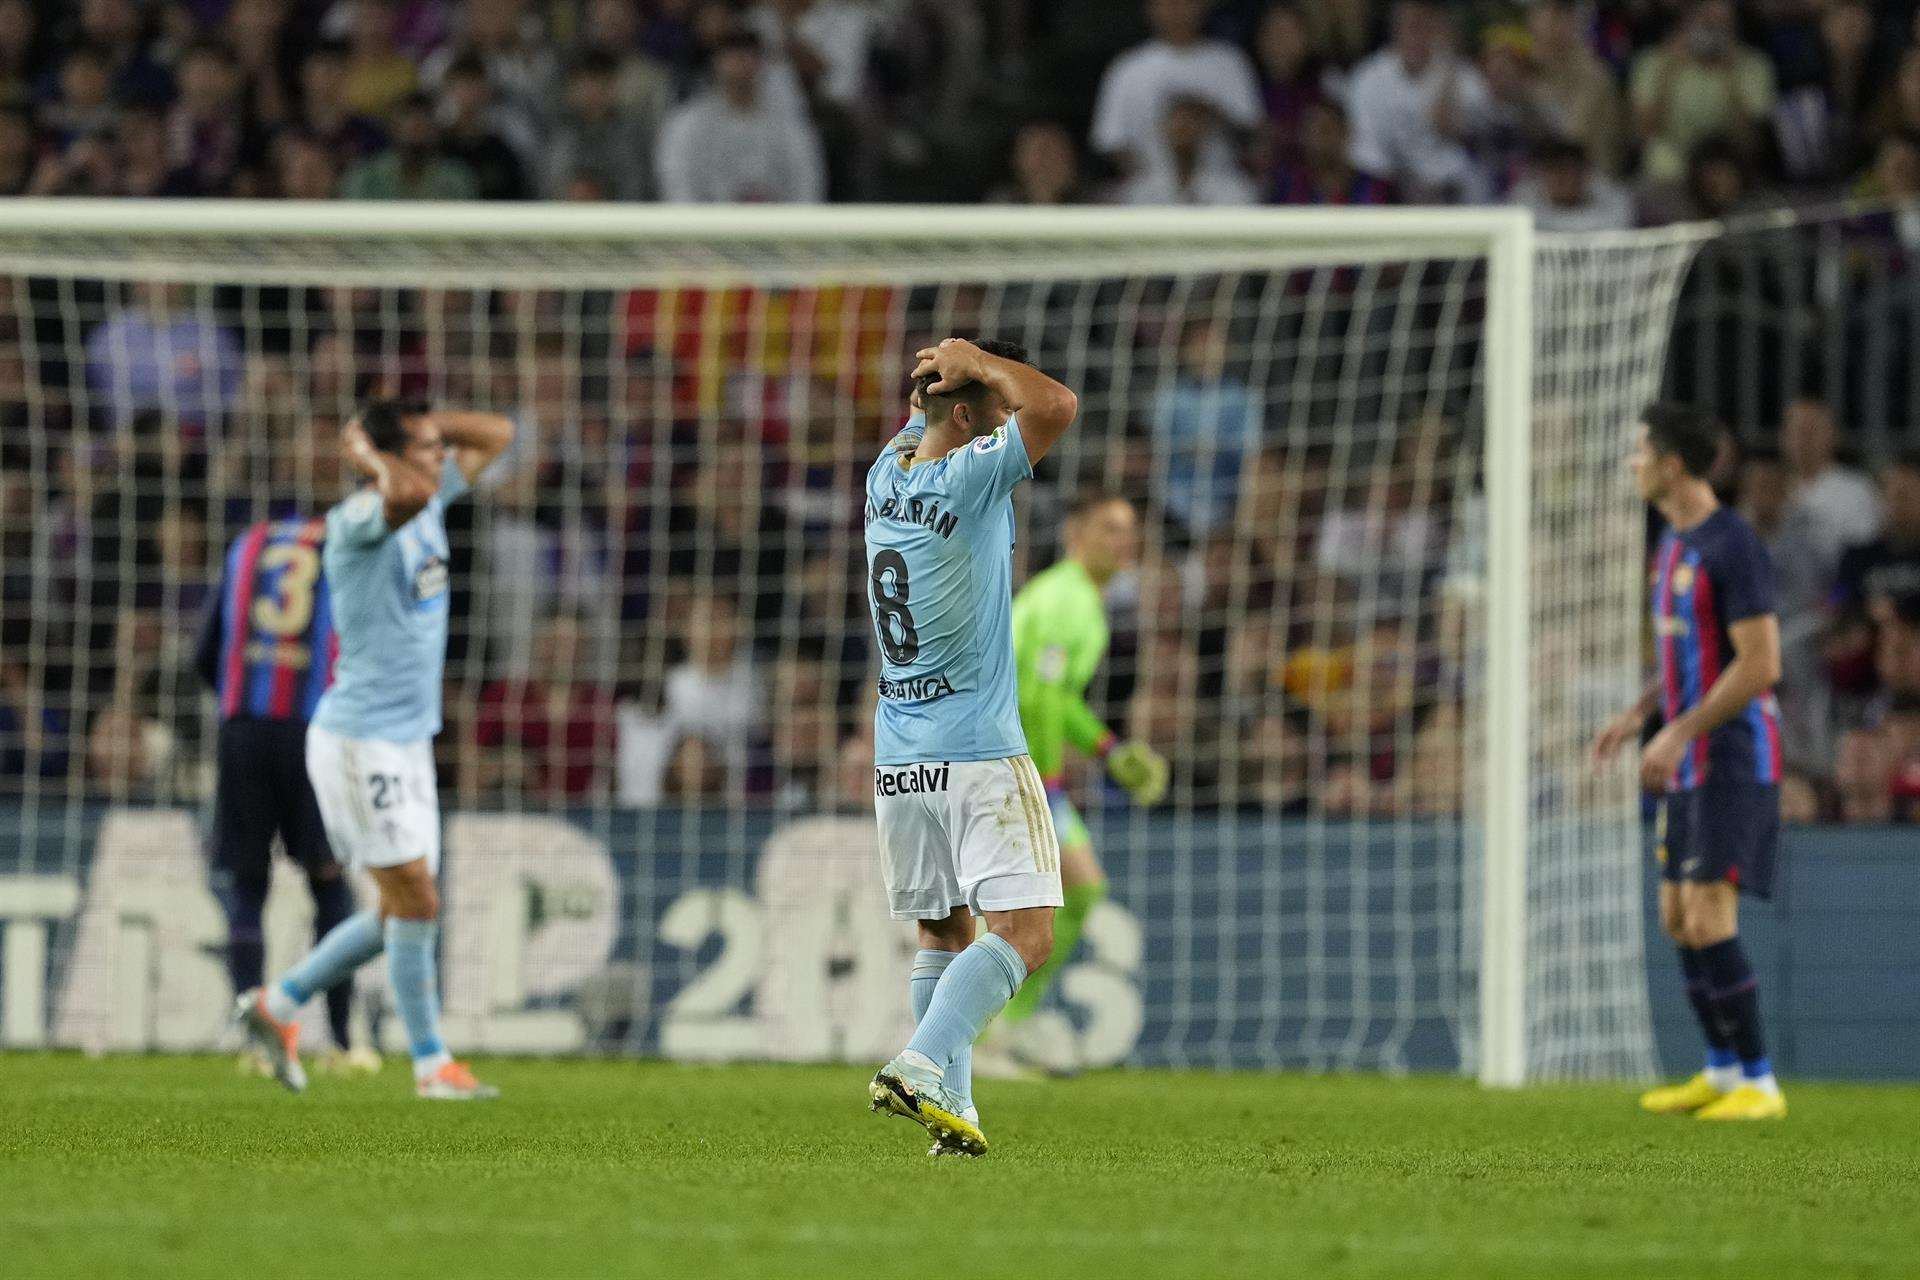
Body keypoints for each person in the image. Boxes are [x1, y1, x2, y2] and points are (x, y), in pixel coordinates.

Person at [235, 397, 513, 1100]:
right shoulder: (360, 518)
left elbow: (499, 433)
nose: (441, 456)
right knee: (414, 897)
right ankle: (431, 1065)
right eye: (425, 447)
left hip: (408, 743)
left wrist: (429, 425)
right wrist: (366, 452)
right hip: (360, 743)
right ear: (387, 459)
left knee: (403, 908)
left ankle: (278, 1004)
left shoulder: (428, 495)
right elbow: (406, 492)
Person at [862, 337, 1079, 1157]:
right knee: (1027, 933)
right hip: (977, 749)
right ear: (965, 415)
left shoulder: (885, 474)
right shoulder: (970, 475)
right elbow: (1056, 405)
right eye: (993, 412)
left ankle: (953, 1111)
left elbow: (921, 416)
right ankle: (921, 1064)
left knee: (943, 930)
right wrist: (979, 360)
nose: (1007, 425)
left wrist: (942, 372)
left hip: (899, 753)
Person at [1593, 402, 1786, 1121]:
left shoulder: (1732, 543)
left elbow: (1761, 663)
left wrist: (1678, 731)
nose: (1632, 463)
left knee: (1708, 916)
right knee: (1677, 916)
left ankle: (1761, 1084)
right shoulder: (1672, 542)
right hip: (1687, 758)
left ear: (1673, 465)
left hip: (1733, 757)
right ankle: (1721, 1070)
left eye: (1640, 452)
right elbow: (1691, 653)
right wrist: (1641, 714)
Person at [981, 493, 1166, 1071]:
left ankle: (999, 1028)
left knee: (1068, 895)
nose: (1124, 540)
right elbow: (1037, 696)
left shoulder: (1079, 599)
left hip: (1012, 761)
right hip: (1005, 763)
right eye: (1109, 527)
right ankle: (991, 1031)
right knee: (1058, 895)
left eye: (1129, 529)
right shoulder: (1065, 601)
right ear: (1075, 534)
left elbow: (1057, 698)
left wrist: (1109, 750)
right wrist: (1048, 778)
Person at [196, 516, 371, 1072]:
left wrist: (240, 698)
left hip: (244, 731)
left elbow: (204, 651)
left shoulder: (247, 543)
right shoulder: (348, 548)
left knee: (248, 885)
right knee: (328, 879)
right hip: (316, 734)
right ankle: (341, 1044)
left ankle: (253, 1041)